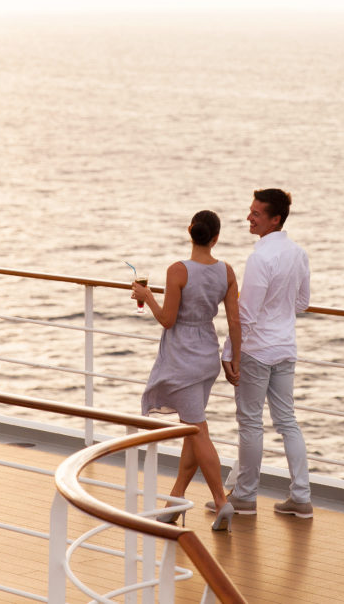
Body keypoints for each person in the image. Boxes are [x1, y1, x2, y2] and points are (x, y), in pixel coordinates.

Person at [132, 210, 242, 532]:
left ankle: (221, 501)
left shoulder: (178, 270)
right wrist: (234, 357)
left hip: (183, 358)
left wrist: (147, 296)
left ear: (189, 232)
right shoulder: (227, 271)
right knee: (190, 430)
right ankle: (175, 501)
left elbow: (167, 319)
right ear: (216, 237)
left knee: (196, 431)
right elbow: (234, 321)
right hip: (207, 353)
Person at [207, 188, 313, 519]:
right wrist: (279, 315)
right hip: (285, 348)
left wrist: (229, 353)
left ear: (275, 219)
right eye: (250, 211)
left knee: (250, 422)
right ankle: (301, 497)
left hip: (256, 351)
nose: (249, 217)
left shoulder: (259, 258)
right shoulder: (298, 253)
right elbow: (302, 303)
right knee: (287, 421)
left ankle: (245, 496)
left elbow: (246, 315)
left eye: (256, 214)